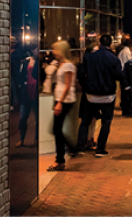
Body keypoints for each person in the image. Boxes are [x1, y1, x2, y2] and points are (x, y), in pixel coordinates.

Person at [75, 33, 122, 157]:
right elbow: (118, 76)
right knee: (106, 122)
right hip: (108, 95)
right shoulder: (114, 59)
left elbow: (81, 73)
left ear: (100, 43)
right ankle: (100, 149)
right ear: (111, 44)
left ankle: (81, 146)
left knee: (85, 121)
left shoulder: (90, 57)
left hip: (91, 94)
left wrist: (86, 85)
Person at [48, 40, 76, 171]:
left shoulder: (68, 66)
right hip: (60, 98)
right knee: (56, 129)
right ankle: (67, 151)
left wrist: (59, 102)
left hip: (64, 100)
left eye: (55, 49)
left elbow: (68, 85)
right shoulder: (61, 64)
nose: (53, 52)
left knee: (56, 129)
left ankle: (60, 159)